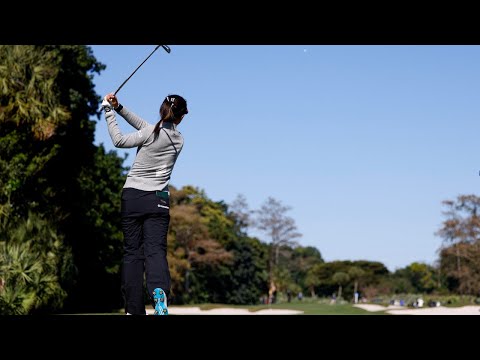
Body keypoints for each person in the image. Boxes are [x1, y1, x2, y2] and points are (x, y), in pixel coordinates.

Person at [101, 93, 189, 315]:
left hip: (132, 197)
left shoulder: (151, 132)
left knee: (133, 253)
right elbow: (146, 126)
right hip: (158, 200)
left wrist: (108, 112)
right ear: (180, 117)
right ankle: (159, 291)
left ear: (161, 109)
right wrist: (119, 106)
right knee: (155, 251)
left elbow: (119, 140)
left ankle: (133, 308)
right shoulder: (179, 140)